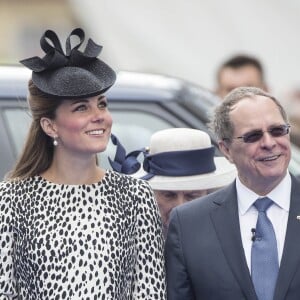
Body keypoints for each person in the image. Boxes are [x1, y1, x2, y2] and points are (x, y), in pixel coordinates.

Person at [0, 28, 166, 299]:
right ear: (50, 126)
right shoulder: (10, 200)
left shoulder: (135, 196)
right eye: (81, 108)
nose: (99, 116)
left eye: (101, 104)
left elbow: (150, 292)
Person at [166, 86, 300, 300]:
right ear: (226, 150)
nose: (269, 143)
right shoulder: (189, 224)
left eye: (277, 130)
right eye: (253, 136)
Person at [109, 128, 237, 237]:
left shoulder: (228, 242)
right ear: (151, 197)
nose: (179, 206)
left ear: (209, 195)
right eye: (169, 195)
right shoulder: (128, 242)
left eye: (192, 196)